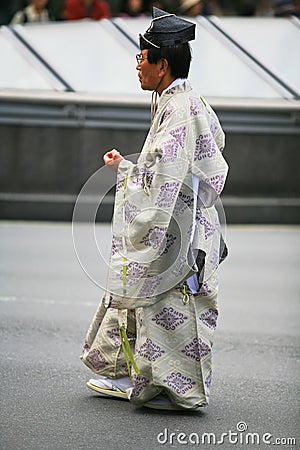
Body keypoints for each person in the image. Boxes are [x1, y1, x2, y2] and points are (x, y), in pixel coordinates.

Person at [81, 7, 228, 410]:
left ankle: (177, 390)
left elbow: (169, 182)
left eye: (141, 57)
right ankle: (138, 377)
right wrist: (128, 169)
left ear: (161, 65)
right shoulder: (182, 100)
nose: (137, 65)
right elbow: (204, 150)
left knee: (170, 308)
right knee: (151, 306)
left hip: (177, 229)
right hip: (181, 221)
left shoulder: (178, 110)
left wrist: (132, 185)